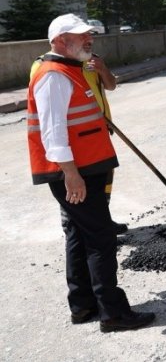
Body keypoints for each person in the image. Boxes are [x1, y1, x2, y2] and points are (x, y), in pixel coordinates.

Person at [27, 14, 155, 332]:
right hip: (75, 173)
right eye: (80, 36)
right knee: (101, 238)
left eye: (89, 35)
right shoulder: (53, 75)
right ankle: (112, 313)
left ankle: (83, 306)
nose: (89, 40)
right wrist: (70, 174)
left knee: (78, 234)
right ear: (59, 41)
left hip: (89, 166)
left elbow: (101, 94)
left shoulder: (76, 67)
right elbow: (53, 133)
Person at [30, 48, 128, 234]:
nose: (87, 41)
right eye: (80, 36)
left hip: (99, 133)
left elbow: (111, 85)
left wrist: (103, 69)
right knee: (73, 189)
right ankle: (72, 227)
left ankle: (102, 220)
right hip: (70, 141)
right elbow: (48, 111)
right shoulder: (45, 66)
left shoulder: (92, 60)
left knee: (101, 185)